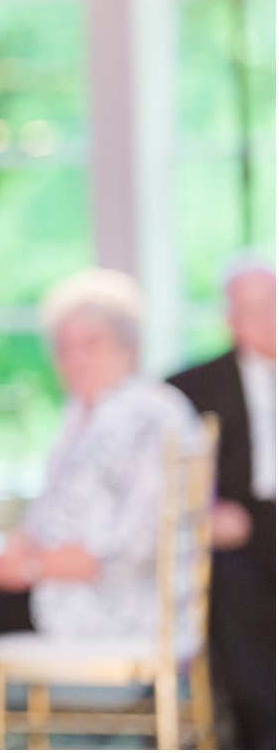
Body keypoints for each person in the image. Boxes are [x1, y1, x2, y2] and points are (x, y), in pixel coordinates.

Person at [0, 268, 199, 749]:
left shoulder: (149, 416)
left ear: (127, 345)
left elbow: (132, 548)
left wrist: (31, 566)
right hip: (68, 587)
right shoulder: (85, 416)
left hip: (115, 606)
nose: (74, 359)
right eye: (63, 347)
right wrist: (14, 554)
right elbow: (46, 517)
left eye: (90, 343)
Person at [168, 260, 276, 749]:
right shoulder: (192, 386)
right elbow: (164, 464)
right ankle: (259, 730)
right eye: (250, 308)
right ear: (229, 318)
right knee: (232, 586)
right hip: (242, 524)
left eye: (270, 304)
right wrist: (205, 508)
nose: (264, 317)